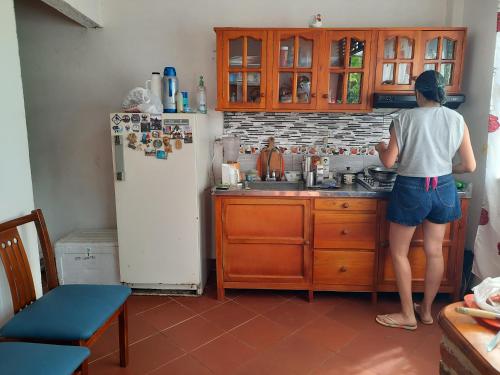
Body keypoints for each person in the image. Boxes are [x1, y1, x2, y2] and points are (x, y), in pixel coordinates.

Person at [374, 70, 476, 330]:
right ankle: (427, 311)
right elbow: (470, 165)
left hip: (411, 187)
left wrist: (380, 148)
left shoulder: (404, 117)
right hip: (443, 187)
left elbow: (388, 161)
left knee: (398, 252)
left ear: (418, 92)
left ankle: (408, 315)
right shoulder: (456, 119)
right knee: (435, 252)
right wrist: (446, 169)